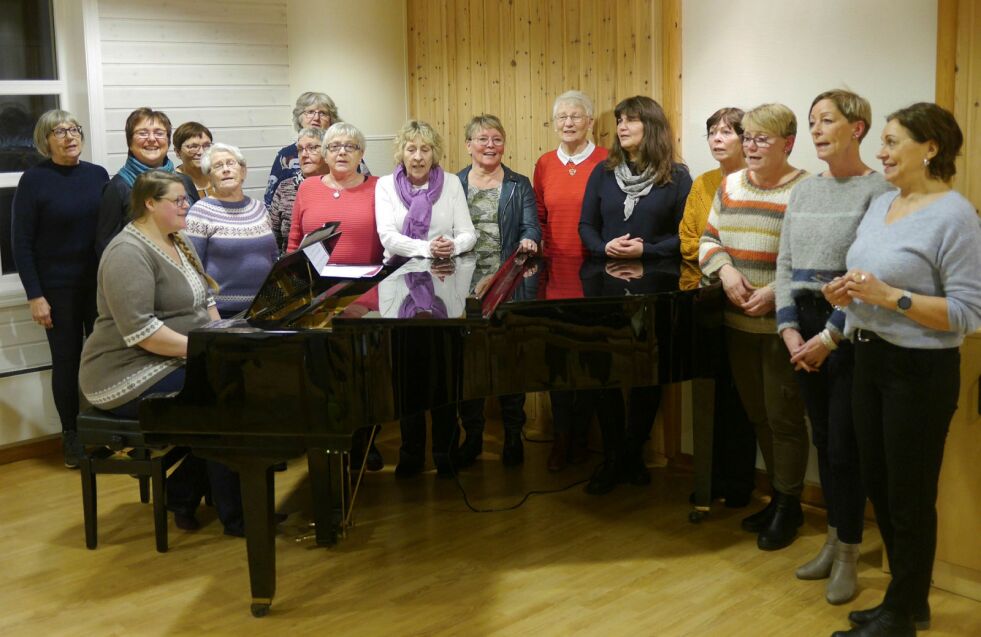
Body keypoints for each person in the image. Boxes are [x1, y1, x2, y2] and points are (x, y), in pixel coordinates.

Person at [824, 103, 981, 637]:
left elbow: (967, 314)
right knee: (881, 485)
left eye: (892, 142)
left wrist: (892, 297)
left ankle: (901, 613)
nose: (881, 153)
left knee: (910, 496)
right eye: (883, 143)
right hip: (867, 356)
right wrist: (842, 295)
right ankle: (908, 601)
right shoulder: (881, 205)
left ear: (930, 149)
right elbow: (862, 278)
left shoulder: (956, 214)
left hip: (919, 370)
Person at [775, 90, 894, 604]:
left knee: (848, 445)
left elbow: (874, 273)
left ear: (858, 127)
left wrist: (829, 336)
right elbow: (783, 262)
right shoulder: (803, 190)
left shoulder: (879, 190)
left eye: (828, 120)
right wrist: (788, 329)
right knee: (823, 438)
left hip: (848, 328)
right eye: (812, 122)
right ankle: (830, 541)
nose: (818, 130)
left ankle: (848, 550)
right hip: (802, 323)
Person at [79, 171, 244, 536]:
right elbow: (142, 333)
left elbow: (207, 302)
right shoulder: (127, 252)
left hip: (168, 358)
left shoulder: (176, 239)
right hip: (123, 373)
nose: (187, 206)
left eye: (186, 199)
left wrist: (223, 336)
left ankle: (184, 492)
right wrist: (207, 350)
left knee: (237, 385)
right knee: (222, 398)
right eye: (178, 201)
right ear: (151, 204)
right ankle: (232, 514)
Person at [699, 103, 809, 551]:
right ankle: (779, 497)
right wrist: (724, 272)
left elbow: (818, 262)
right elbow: (708, 240)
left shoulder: (807, 191)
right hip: (736, 323)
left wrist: (777, 293)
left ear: (788, 143)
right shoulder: (729, 185)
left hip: (782, 328)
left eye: (763, 138)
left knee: (784, 419)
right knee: (757, 414)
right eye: (748, 138)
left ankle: (790, 505)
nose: (752, 146)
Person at [578, 95, 692, 495]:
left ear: (652, 126)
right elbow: (586, 226)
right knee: (603, 374)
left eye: (631, 120)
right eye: (620, 121)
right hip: (603, 288)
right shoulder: (603, 173)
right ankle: (613, 455)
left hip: (655, 289)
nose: (622, 127)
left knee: (647, 376)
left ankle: (632, 453)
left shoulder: (677, 177)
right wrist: (603, 246)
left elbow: (683, 237)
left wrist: (647, 250)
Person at [375, 120, 476, 477]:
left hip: (445, 290)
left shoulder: (450, 183)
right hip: (398, 291)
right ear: (401, 152)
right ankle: (411, 454)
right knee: (408, 379)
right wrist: (429, 247)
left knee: (444, 376)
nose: (418, 157)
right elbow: (388, 236)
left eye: (425, 149)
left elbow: (467, 233)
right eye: (411, 149)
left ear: (435, 153)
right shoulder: (385, 185)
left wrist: (454, 244)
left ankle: (445, 453)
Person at [11, 110, 109, 468]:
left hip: (97, 286)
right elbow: (21, 243)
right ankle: (72, 437)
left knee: (101, 358)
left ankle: (103, 430)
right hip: (56, 289)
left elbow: (108, 230)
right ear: (45, 140)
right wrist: (35, 295)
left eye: (74, 129)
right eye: (59, 131)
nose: (69, 136)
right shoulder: (34, 181)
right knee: (67, 363)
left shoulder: (97, 174)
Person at [678, 107, 756, 509]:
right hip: (706, 298)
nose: (718, 138)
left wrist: (731, 263)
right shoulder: (703, 183)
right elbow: (689, 240)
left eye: (728, 131)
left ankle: (740, 483)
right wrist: (724, 262)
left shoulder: (757, 182)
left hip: (748, 299)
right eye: (712, 131)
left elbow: (758, 246)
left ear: (747, 138)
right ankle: (712, 480)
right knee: (711, 392)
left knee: (742, 397)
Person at [455, 114, 540, 468]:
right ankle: (472, 438)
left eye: (497, 139)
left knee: (509, 366)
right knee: (468, 369)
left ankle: (511, 437)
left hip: (507, 286)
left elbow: (531, 224)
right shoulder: (452, 184)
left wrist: (529, 239)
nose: (490, 146)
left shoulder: (519, 184)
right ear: (469, 145)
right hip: (462, 289)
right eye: (482, 139)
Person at [533, 90, 608, 472]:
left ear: (590, 121)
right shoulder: (545, 164)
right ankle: (562, 438)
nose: (567, 123)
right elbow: (540, 218)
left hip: (598, 277)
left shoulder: (607, 161)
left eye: (575, 116)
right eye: (560, 117)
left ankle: (581, 438)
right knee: (558, 364)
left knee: (594, 362)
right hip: (555, 277)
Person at [184, 143, 278, 318]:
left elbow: (272, 256)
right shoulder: (200, 212)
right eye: (218, 166)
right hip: (221, 311)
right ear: (209, 177)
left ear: (243, 171)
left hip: (265, 307)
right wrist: (212, 315)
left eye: (231, 163)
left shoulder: (259, 208)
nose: (226, 170)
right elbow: (191, 269)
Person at [95, 107, 199, 256]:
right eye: (142, 133)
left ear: (168, 141)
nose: (151, 139)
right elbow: (106, 245)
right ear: (130, 142)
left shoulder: (185, 181)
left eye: (159, 133)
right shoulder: (118, 187)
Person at [286, 122, 382, 263]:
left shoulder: (380, 186)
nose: (342, 152)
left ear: (361, 154)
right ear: (325, 154)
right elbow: (294, 241)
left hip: (366, 282)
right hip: (318, 284)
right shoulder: (307, 187)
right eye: (334, 146)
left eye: (350, 146)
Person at [264, 92, 369, 206]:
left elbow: (366, 188)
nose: (316, 118)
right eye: (310, 112)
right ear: (300, 118)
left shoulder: (345, 151)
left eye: (323, 113)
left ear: (331, 120)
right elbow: (271, 199)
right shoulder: (285, 155)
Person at [268, 127, 328, 253]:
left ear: (327, 151)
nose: (304, 154)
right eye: (300, 149)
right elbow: (273, 238)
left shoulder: (337, 187)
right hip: (292, 265)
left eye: (312, 148)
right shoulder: (285, 187)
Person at [173, 122, 214, 200]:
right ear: (178, 152)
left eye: (206, 146)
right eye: (193, 147)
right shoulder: (172, 183)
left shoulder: (218, 177)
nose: (201, 152)